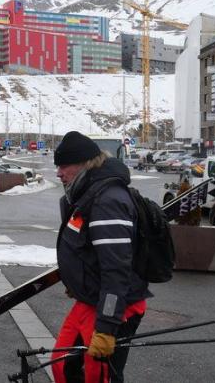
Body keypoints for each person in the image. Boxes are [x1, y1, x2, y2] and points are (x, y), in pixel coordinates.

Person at [51, 131, 150, 383]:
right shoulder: (87, 193)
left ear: (84, 164)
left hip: (115, 308)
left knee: (100, 377)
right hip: (88, 301)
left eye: (63, 166)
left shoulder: (108, 201)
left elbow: (116, 270)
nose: (58, 173)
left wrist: (106, 328)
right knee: (62, 366)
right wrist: (78, 282)